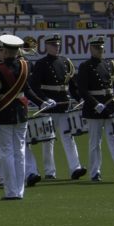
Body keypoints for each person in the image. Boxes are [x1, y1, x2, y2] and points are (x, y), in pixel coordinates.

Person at [0, 35, 48, 200]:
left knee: (7, 153)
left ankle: (11, 191)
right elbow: (28, 90)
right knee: (20, 152)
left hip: (4, 114)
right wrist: (41, 102)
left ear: (4, 50)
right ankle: (20, 190)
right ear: (17, 50)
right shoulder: (26, 66)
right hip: (21, 112)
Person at [28, 33, 87, 181]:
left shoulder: (66, 62)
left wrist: (80, 98)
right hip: (49, 106)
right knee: (48, 140)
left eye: (58, 45)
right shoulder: (41, 64)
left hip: (64, 105)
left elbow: (72, 86)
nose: (57, 47)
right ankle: (50, 171)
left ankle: (75, 168)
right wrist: (45, 100)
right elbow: (35, 86)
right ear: (47, 46)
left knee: (69, 138)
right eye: (54, 45)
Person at [78, 36, 114, 183]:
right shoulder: (85, 66)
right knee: (94, 143)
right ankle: (95, 173)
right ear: (91, 48)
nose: (100, 51)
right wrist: (94, 103)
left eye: (102, 48)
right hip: (94, 109)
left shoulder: (110, 64)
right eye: (97, 48)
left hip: (110, 107)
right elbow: (82, 90)